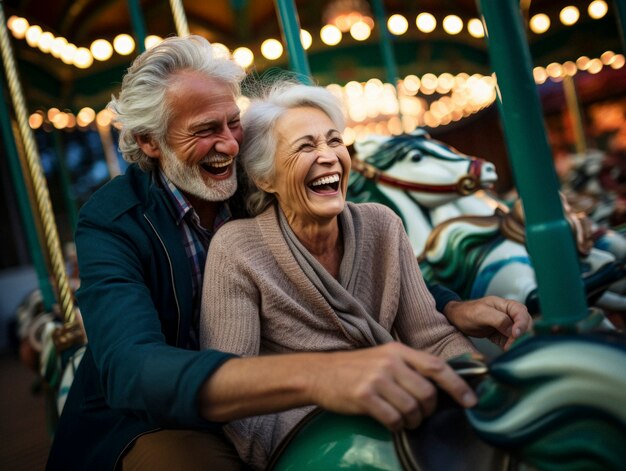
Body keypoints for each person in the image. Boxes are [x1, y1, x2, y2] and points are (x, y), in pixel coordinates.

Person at [47, 35, 530, 471]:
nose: (229, 144)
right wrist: (319, 376)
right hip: (153, 414)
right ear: (150, 141)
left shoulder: (254, 181)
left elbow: (371, 256)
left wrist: (448, 305)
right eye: (203, 130)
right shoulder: (112, 222)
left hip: (269, 391)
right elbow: (133, 369)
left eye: (233, 123)